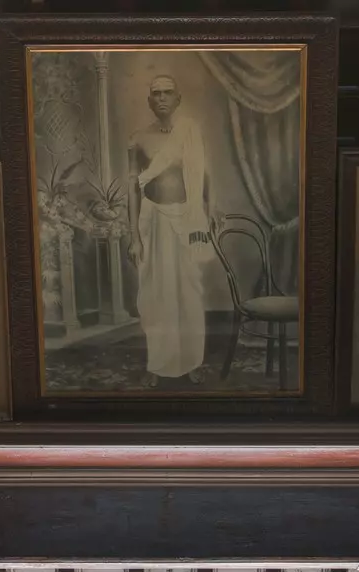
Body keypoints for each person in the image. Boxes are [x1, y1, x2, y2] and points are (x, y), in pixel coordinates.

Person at [128, 73, 211, 386]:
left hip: (188, 219)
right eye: (156, 94)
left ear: (178, 99)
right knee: (156, 294)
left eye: (167, 93)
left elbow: (204, 177)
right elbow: (132, 187)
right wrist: (134, 236)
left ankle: (191, 360)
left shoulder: (190, 132)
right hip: (154, 221)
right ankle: (158, 363)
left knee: (190, 291)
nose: (162, 98)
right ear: (149, 101)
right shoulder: (138, 138)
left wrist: (210, 210)